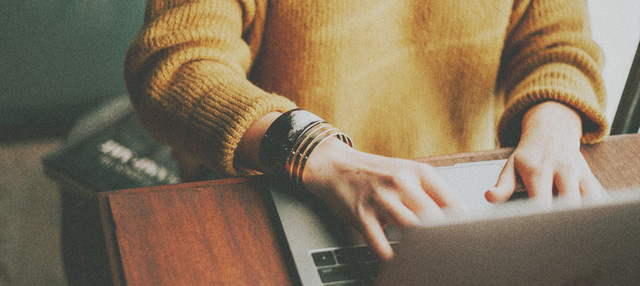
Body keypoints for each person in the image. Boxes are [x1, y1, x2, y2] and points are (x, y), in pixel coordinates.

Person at [124, 0, 609, 261]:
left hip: (459, 202)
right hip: (276, 193)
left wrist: (554, 121)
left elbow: (559, 41)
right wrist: (316, 152)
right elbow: (176, 63)